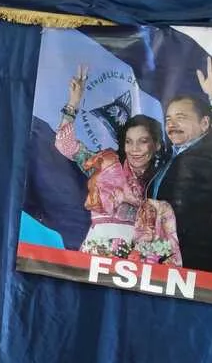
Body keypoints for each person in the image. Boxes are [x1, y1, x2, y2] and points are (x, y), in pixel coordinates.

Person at [55, 65, 183, 265]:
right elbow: (65, 145)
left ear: (156, 145)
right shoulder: (106, 165)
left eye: (142, 141)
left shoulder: (162, 181)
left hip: (139, 263)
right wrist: (73, 104)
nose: (135, 149)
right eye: (129, 142)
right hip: (96, 257)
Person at [150, 55, 212, 274]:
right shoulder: (167, 157)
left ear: (205, 124)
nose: (172, 124)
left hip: (198, 260)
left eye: (181, 117)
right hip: (161, 256)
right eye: (168, 119)